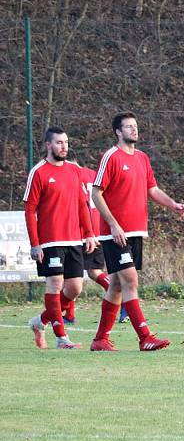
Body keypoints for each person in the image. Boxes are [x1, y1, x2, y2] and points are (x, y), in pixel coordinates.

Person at [90, 112, 184, 351]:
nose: (134, 130)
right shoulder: (111, 157)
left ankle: (100, 339)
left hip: (136, 231)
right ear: (118, 132)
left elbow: (152, 189)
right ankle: (145, 337)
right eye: (128, 127)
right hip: (116, 233)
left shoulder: (142, 158)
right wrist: (113, 224)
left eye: (135, 126)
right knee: (131, 281)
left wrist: (172, 204)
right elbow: (96, 193)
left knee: (115, 285)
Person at [24, 127, 96, 349]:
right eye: (59, 143)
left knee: (74, 288)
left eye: (66, 142)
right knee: (55, 284)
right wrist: (35, 244)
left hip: (74, 239)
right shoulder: (39, 172)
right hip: (50, 240)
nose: (64, 146)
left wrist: (89, 233)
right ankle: (61, 338)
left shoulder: (74, 171)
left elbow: (82, 205)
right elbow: (30, 210)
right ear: (48, 145)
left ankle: (40, 321)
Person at [65, 162, 112, 325]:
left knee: (69, 275)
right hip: (99, 230)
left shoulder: (70, 174)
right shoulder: (94, 174)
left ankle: (69, 314)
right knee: (94, 271)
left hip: (80, 232)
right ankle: (118, 295)